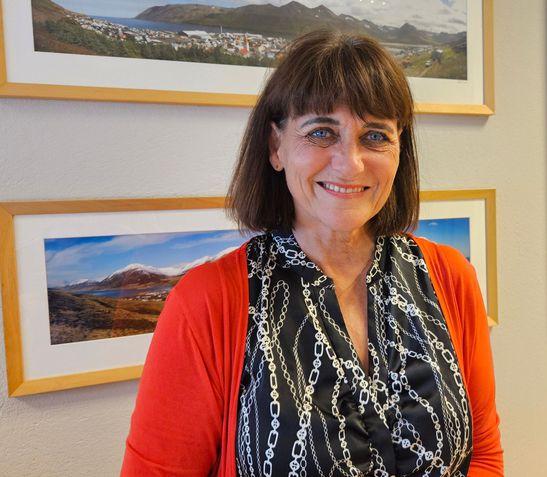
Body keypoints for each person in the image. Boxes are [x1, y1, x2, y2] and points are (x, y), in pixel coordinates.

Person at [122, 30, 503, 477]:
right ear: (276, 147)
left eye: (375, 136)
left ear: (400, 149)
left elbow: (483, 456)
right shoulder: (207, 303)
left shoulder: (449, 276)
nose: (351, 163)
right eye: (321, 132)